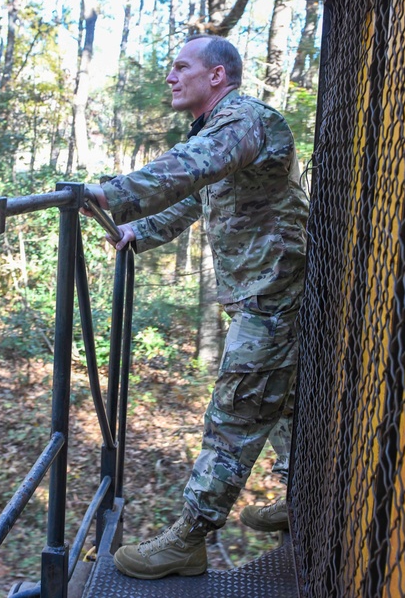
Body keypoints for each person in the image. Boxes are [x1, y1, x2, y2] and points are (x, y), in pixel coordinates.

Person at [84, 34, 309, 580]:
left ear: (217, 76)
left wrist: (110, 194)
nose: (170, 76)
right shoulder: (222, 131)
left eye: (181, 66)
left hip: (273, 295)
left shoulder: (243, 119)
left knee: (235, 413)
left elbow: (191, 167)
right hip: (265, 291)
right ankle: (302, 496)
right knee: (282, 401)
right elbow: (197, 195)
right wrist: (139, 229)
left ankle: (190, 538)